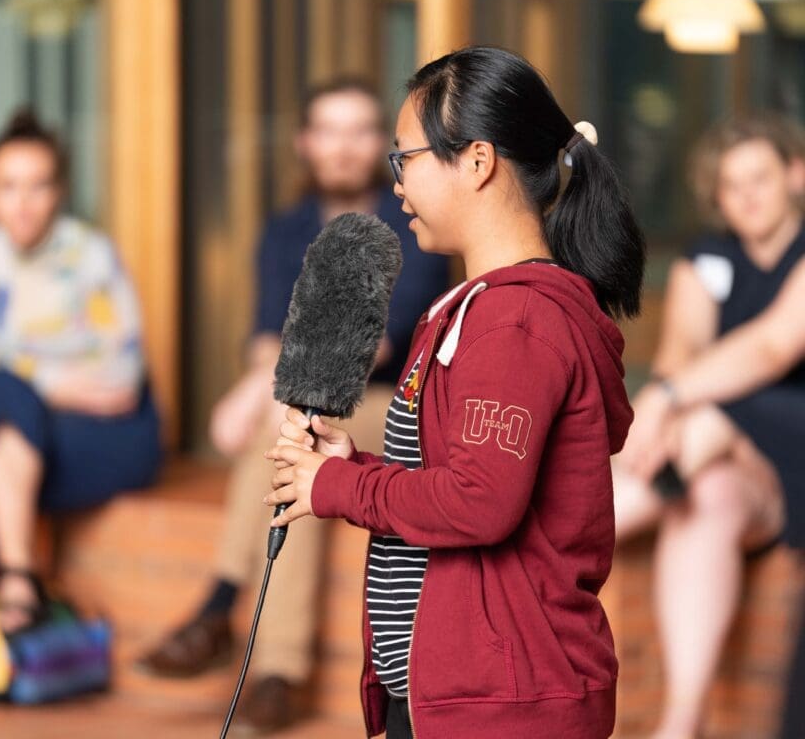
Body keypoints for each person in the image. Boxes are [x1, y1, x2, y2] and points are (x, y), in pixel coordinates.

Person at [266, 46, 645, 739]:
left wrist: (339, 490)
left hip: (506, 706)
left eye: (403, 158)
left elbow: (480, 503)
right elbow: (457, 481)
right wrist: (353, 468)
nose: (397, 183)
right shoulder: (467, 308)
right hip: (453, 695)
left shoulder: (518, 320)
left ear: (476, 161)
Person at [137, 78, 449, 733]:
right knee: (295, 432)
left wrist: (258, 390)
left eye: (360, 130)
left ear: (384, 146)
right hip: (307, 404)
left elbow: (371, 342)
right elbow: (264, 338)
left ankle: (221, 604)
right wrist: (270, 384)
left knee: (293, 422)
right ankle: (277, 671)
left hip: (390, 398)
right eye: (328, 130)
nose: (343, 146)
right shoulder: (286, 230)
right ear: (306, 144)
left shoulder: (410, 220)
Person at [0, 111, 161, 713]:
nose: (23, 203)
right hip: (27, 435)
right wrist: (60, 381)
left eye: (38, 185)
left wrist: (27, 378)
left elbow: (120, 384)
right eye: (8, 186)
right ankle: (20, 578)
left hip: (117, 436)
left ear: (58, 191)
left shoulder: (91, 255)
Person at [613, 115, 805, 739]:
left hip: (792, 443)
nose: (747, 195)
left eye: (761, 178)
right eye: (731, 185)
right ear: (716, 197)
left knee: (718, 413)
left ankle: (557, 525)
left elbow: (773, 348)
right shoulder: (707, 257)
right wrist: (669, 406)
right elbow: (680, 350)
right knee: (708, 499)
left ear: (795, 176)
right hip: (722, 463)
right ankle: (682, 722)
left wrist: (669, 398)